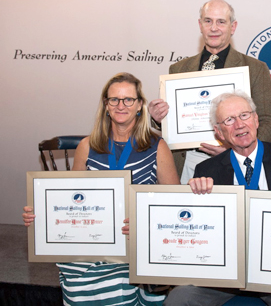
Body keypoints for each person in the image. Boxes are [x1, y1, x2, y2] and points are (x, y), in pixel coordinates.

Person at [23, 73, 180, 305]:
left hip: (135, 240)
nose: (121, 105)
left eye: (128, 99)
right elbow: (71, 201)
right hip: (93, 239)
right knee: (76, 270)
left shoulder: (156, 146)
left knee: (122, 282)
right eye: (114, 99)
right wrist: (40, 216)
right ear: (106, 105)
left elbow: (174, 203)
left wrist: (142, 223)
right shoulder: (87, 146)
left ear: (139, 105)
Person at [163, 90, 271, 306]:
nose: (239, 125)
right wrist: (194, 197)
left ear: (255, 119)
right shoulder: (206, 170)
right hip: (224, 267)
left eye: (244, 115)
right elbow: (196, 231)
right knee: (179, 299)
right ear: (219, 132)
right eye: (229, 120)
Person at [149, 0, 271, 183]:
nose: (214, 28)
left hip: (236, 160)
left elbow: (269, 120)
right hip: (187, 161)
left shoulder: (255, 68)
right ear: (200, 25)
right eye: (208, 21)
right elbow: (173, 122)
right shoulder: (178, 69)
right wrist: (158, 118)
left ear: (233, 27)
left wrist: (238, 149)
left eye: (221, 22)